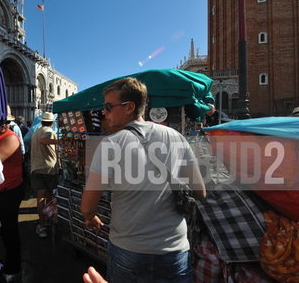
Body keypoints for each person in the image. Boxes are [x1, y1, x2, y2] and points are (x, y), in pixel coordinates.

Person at [81, 77, 206, 283]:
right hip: (174, 249)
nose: (104, 112)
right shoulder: (176, 136)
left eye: (108, 106)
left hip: (130, 250)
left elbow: (87, 207)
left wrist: (91, 217)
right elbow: (200, 191)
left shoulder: (110, 145)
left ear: (129, 107)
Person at [0, 122, 24, 283]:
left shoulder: (10, 138)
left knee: (8, 231)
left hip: (8, 192)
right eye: (0, 120)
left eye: (7, 121)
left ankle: (13, 268)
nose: (4, 124)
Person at [30, 112, 59, 238]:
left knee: (40, 198)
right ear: (52, 122)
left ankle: (42, 225)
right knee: (49, 197)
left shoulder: (35, 132)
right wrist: (61, 141)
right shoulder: (49, 131)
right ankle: (48, 222)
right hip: (49, 169)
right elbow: (44, 140)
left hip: (36, 168)